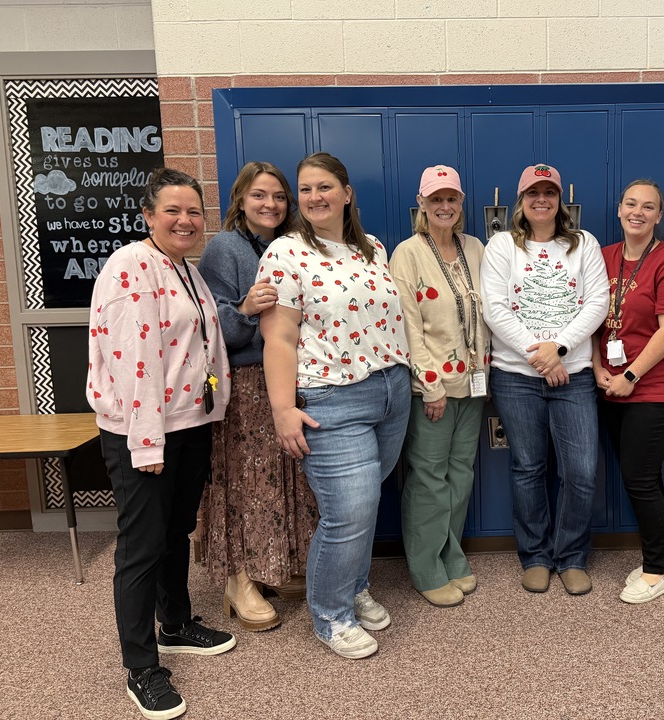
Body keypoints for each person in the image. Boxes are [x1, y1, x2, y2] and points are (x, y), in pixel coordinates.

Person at [87, 168, 235, 720]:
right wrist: (147, 445)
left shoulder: (186, 271)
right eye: (172, 210)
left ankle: (174, 623)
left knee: (177, 531)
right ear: (148, 215)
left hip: (187, 424)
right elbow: (136, 360)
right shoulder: (130, 266)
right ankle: (141, 667)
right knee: (142, 545)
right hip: (142, 432)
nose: (185, 220)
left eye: (194, 211)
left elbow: (200, 347)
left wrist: (210, 415)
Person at [259, 152, 410, 659]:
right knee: (349, 511)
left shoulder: (373, 249)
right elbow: (278, 337)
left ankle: (353, 584)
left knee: (366, 505)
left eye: (324, 186)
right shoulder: (285, 253)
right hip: (331, 396)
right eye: (305, 189)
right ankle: (330, 614)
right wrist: (283, 409)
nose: (314, 197)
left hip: (391, 391)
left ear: (347, 193)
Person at [198, 162, 318, 632]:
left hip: (289, 379)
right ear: (240, 200)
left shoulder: (294, 248)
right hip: (246, 386)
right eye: (259, 196)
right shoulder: (225, 248)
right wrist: (245, 309)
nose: (270, 204)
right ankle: (239, 579)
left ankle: (272, 568)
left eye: (279, 197)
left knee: (284, 479)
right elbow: (212, 330)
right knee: (244, 484)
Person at [480, 163, 608, 595]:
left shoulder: (583, 244)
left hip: (573, 375)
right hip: (516, 376)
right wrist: (541, 357)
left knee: (582, 471)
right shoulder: (501, 246)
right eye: (533, 192)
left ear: (560, 200)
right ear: (521, 200)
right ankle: (535, 555)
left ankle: (571, 555)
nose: (541, 200)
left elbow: (597, 304)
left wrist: (561, 350)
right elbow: (494, 308)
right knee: (528, 468)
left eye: (548, 192)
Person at [390, 165, 490, 607]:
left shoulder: (476, 247)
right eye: (435, 200)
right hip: (433, 386)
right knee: (429, 478)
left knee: (460, 473)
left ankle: (451, 552)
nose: (444, 206)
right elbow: (408, 325)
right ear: (422, 205)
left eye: (451, 199)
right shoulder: (407, 253)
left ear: (461, 203)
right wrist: (429, 385)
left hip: (474, 381)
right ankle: (425, 566)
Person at [594, 180, 664, 604]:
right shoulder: (602, 257)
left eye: (648, 206)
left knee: (638, 476)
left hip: (659, 385)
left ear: (658, 215)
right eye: (631, 204)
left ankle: (657, 569)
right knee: (642, 475)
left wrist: (629, 376)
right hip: (610, 382)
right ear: (619, 209)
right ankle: (659, 558)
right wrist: (599, 367)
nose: (638, 211)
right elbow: (590, 319)